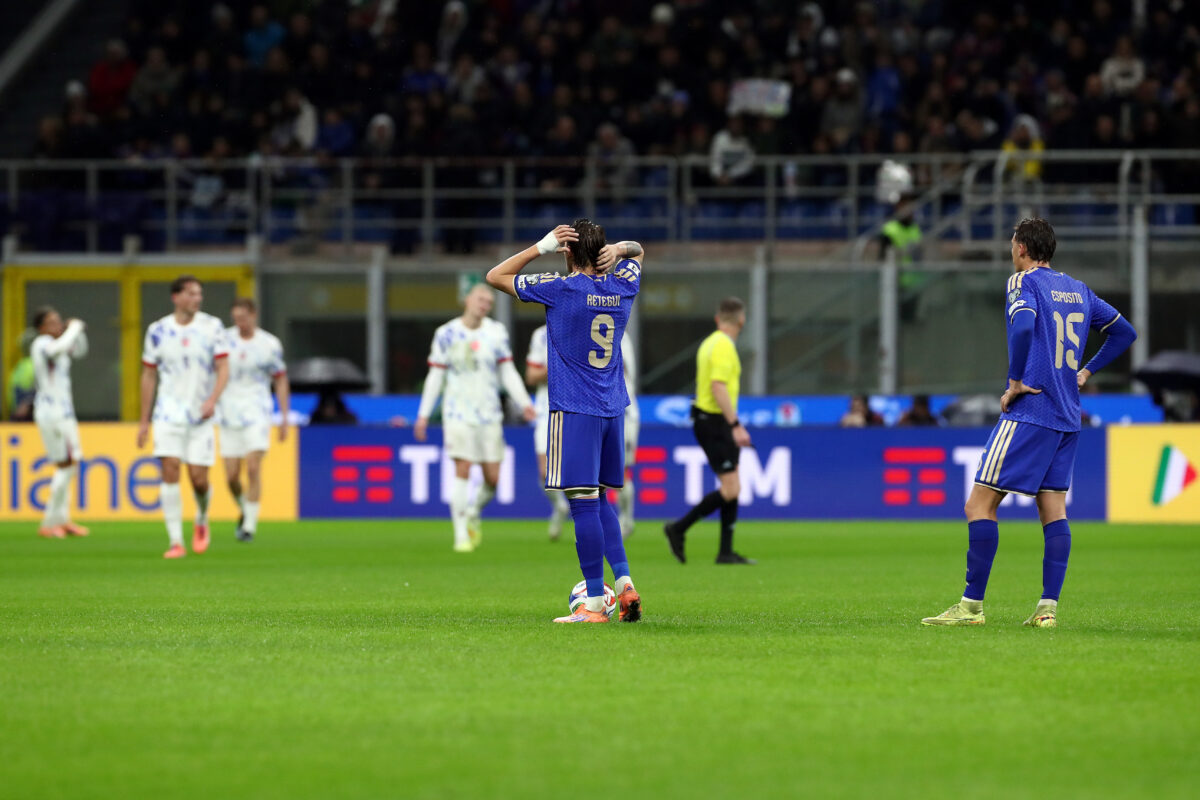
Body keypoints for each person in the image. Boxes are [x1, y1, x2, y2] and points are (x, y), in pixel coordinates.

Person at [923, 218, 1137, 629]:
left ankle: (971, 607)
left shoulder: (1023, 282)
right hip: (1067, 417)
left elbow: (1023, 326)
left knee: (979, 504)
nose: (1010, 248)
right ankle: (1047, 609)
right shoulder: (1078, 289)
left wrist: (1015, 381)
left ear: (1022, 247)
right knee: (1053, 510)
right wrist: (1087, 372)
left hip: (1031, 410)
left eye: (1012, 242)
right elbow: (1124, 333)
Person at [486, 220, 645, 624]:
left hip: (575, 410)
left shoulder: (560, 288)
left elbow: (496, 276)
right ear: (603, 253)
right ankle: (624, 583)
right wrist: (622, 250)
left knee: (583, 505)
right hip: (614, 409)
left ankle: (593, 605)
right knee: (603, 498)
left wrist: (540, 246)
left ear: (568, 253)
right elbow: (638, 251)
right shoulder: (623, 285)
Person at [415, 284, 536, 553]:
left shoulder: (496, 332)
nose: (485, 304)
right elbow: (435, 377)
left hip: (489, 413)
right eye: (480, 298)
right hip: (457, 412)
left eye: (489, 301)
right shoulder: (446, 334)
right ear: (467, 300)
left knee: (493, 478)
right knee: (463, 467)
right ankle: (460, 535)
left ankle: (472, 511)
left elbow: (507, 372)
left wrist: (525, 402)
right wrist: (423, 415)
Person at [138, 275, 230, 559]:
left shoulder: (212, 327)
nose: (197, 299)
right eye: (191, 293)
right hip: (167, 413)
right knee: (170, 470)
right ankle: (176, 541)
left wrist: (213, 399)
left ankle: (201, 518)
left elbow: (224, 367)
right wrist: (144, 421)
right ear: (175, 297)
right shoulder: (157, 331)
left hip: (200, 415)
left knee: (199, 480)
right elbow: (149, 374)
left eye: (199, 294)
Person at [663, 297, 755, 566]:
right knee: (730, 488)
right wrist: (735, 425)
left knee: (733, 485)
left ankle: (726, 551)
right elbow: (718, 386)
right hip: (714, 421)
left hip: (709, 420)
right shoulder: (724, 346)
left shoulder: (709, 343)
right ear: (742, 320)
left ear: (718, 318)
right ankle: (678, 528)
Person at [218, 298, 289, 543]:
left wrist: (284, 417)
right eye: (236, 319)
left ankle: (249, 526)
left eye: (243, 318)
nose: (240, 323)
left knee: (253, 466)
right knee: (231, 477)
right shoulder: (223, 340)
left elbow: (280, 379)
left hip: (257, 410)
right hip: (228, 412)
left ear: (253, 315)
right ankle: (244, 508)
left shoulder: (269, 344)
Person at [29, 308, 89, 539]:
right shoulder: (42, 344)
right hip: (52, 413)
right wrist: (74, 327)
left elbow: (80, 350)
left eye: (58, 321)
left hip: (63, 412)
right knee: (66, 465)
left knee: (70, 465)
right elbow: (61, 347)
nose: (57, 325)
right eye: (51, 322)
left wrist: (78, 331)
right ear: (41, 328)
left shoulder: (59, 344)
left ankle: (62, 519)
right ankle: (49, 522)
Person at [525, 324, 570, 540]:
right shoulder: (541, 334)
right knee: (545, 473)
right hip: (547, 408)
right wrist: (558, 365)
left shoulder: (585, 324)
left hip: (578, 408)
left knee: (579, 473)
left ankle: (589, 526)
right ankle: (559, 506)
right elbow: (531, 376)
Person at [617, 333, 639, 539]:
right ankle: (622, 519)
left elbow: (622, 366)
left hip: (625, 413)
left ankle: (626, 518)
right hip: (608, 411)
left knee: (621, 470)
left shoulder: (620, 335)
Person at [6, 330, 37, 421]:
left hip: (30, 416)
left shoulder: (37, 364)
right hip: (18, 415)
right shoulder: (21, 365)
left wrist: (27, 403)